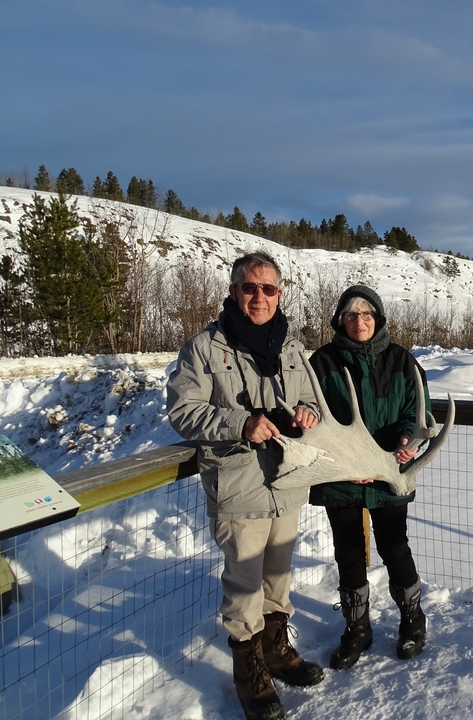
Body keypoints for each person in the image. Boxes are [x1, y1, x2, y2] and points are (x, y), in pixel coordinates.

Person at [167, 252, 324, 720]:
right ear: (234, 291)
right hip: (239, 483)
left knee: (278, 577)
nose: (259, 296)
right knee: (244, 585)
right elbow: (182, 411)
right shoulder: (203, 348)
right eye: (249, 287)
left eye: (268, 288)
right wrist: (239, 423)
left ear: (280, 293)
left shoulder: (293, 347)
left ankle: (277, 651)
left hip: (287, 482)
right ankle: (249, 671)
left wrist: (308, 412)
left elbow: (313, 396)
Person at [308, 285, 430, 670]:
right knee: (347, 553)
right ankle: (356, 628)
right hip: (340, 475)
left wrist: (407, 440)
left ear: (377, 319)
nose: (359, 321)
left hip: (389, 472)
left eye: (366, 314)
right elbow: (310, 414)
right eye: (350, 315)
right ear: (339, 320)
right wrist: (347, 462)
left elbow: (417, 411)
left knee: (395, 547)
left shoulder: (402, 361)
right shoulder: (322, 362)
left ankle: (413, 620)